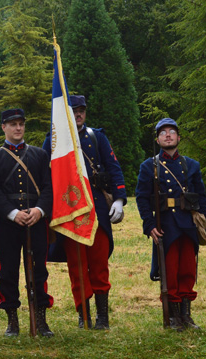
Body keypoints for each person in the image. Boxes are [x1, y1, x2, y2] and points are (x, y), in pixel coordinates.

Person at [42, 95, 126, 330]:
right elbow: (44, 173)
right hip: (70, 212)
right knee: (77, 267)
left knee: (99, 264)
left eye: (82, 110)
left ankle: (103, 317)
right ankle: (84, 314)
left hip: (96, 209)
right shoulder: (55, 139)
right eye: (74, 110)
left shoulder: (96, 137)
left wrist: (119, 199)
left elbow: (113, 167)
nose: (78, 114)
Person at [135, 118, 206, 331]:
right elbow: (142, 198)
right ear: (158, 139)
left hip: (188, 224)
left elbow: (201, 197)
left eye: (171, 131)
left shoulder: (192, 165)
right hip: (165, 225)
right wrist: (149, 224)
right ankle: (173, 317)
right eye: (163, 132)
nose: (168, 135)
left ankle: (186, 316)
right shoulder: (148, 166)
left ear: (178, 137)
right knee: (169, 270)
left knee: (187, 269)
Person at [0, 108, 54, 337]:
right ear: (3, 127)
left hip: (36, 219)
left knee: (39, 271)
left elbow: (48, 187)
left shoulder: (39, 155)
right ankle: (12, 321)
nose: (18, 128)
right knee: (8, 271)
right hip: (6, 223)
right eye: (12, 124)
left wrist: (40, 210)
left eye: (21, 124)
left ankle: (40, 319)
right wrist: (13, 213)